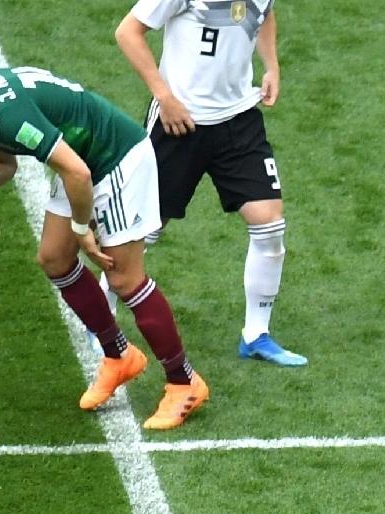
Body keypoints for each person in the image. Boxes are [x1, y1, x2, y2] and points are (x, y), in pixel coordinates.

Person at [0, 67, 210, 431]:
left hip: (115, 160)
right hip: (81, 162)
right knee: (54, 258)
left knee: (125, 280)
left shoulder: (4, 116)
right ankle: (119, 355)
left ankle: (183, 382)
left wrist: (82, 230)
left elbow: (77, 173)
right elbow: (1, 164)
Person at [116, 0, 307, 367]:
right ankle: (102, 322)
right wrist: (164, 96)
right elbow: (128, 32)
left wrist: (271, 65)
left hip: (238, 120)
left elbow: (263, 13)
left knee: (269, 222)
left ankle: (256, 334)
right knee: (143, 228)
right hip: (179, 121)